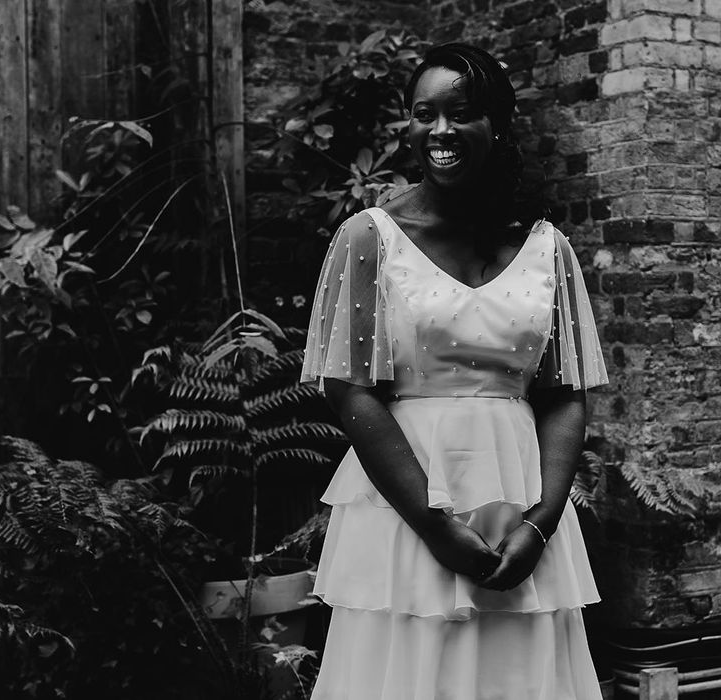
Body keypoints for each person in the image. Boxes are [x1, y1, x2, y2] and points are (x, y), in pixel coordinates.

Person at [301, 42, 608, 700]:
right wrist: (435, 523)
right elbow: (348, 387)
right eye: (424, 114)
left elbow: (563, 395)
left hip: (522, 502)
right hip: (408, 508)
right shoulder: (370, 238)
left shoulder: (545, 247)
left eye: (459, 112)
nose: (439, 130)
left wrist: (540, 523)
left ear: (495, 125)